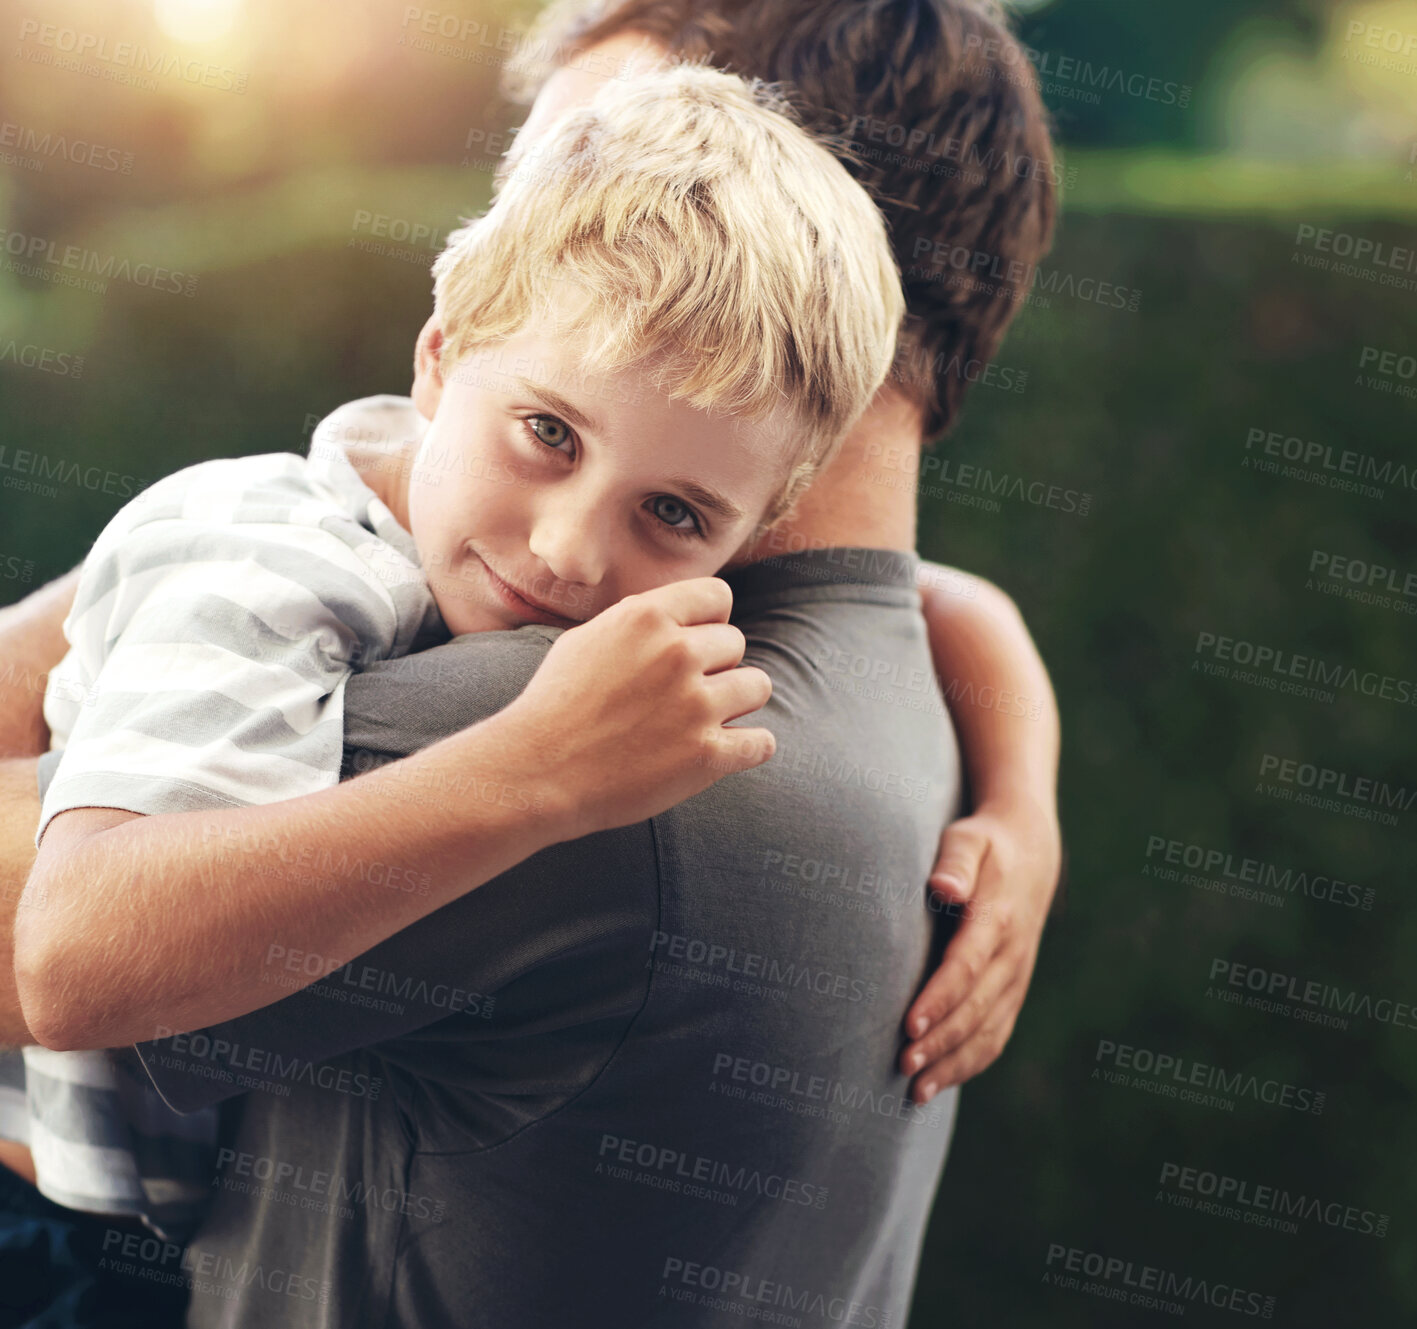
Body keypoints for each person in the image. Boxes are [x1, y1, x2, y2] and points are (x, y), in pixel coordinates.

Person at [0, 1, 1065, 1323]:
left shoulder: (585, 728)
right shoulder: (889, 686)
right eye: (545, 430)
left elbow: (65, 945)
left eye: (576, 155)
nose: (520, 214)